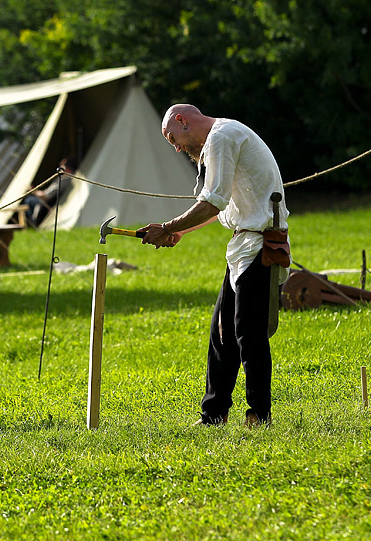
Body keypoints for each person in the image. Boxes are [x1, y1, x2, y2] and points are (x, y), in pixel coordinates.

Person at [138, 104, 290, 428]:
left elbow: (212, 202)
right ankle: (213, 416)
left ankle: (260, 416)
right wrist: (177, 230)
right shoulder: (220, 139)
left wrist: (167, 227)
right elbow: (217, 209)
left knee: (249, 335)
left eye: (172, 138)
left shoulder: (222, 136)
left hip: (261, 244)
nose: (176, 147)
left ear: (182, 120)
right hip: (244, 243)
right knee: (222, 333)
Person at [23, 156, 77, 226]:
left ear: (67, 168)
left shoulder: (64, 180)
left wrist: (32, 191)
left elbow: (46, 196)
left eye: (62, 166)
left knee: (29, 200)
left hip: (46, 203)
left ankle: (33, 224)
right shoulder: (63, 178)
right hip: (45, 201)